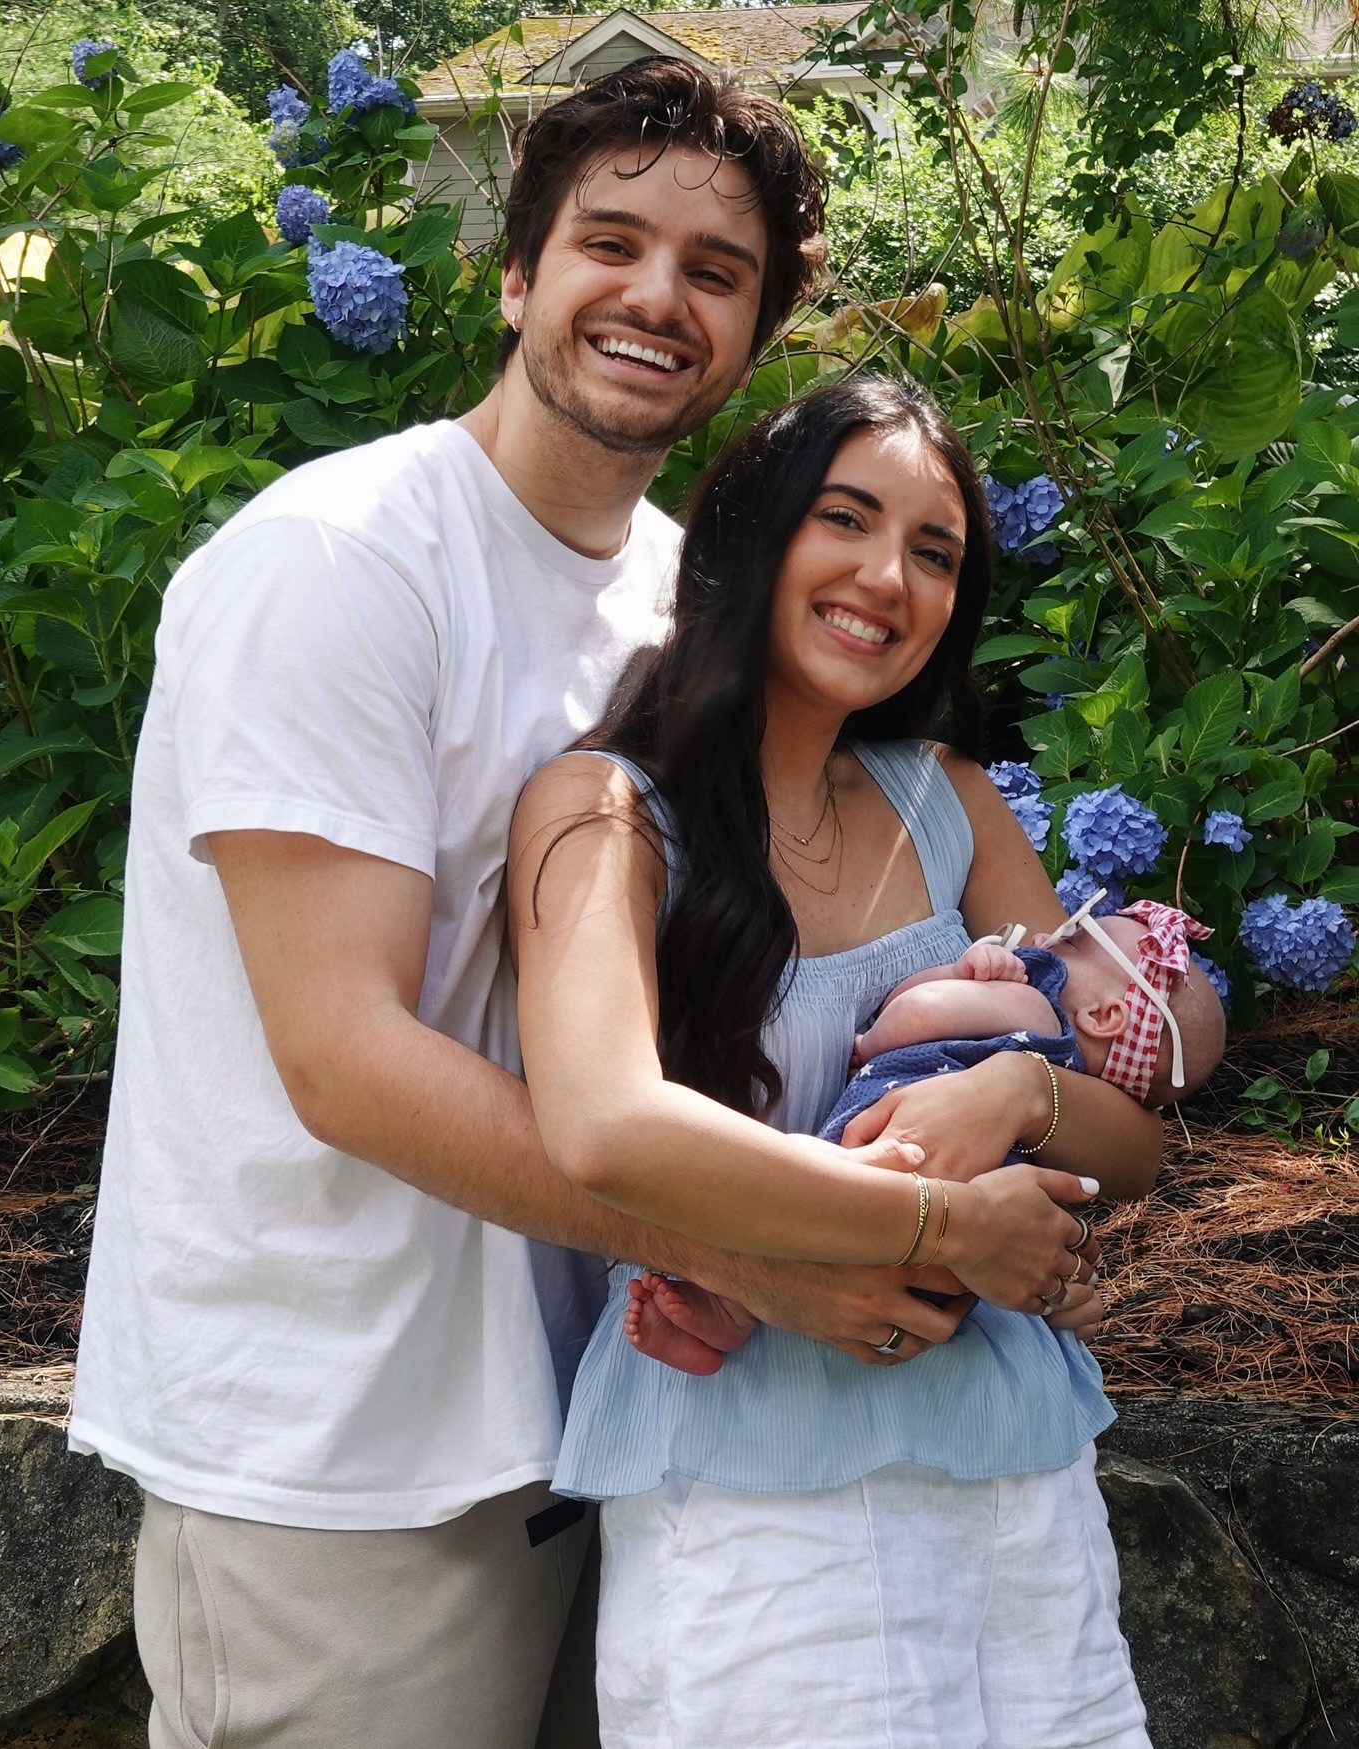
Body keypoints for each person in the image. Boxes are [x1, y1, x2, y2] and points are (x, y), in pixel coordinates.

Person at [65, 59, 979, 1749]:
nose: (657, 296)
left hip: (607, 1409)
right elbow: (342, 1056)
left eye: (716, 271)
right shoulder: (342, 559)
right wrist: (762, 1252)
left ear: (757, 334)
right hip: (344, 1452)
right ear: (515, 274)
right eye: (610, 244)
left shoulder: (680, 605)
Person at [508, 376, 1165, 1749]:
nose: (888, 578)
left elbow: (1134, 1144)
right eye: (847, 520)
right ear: (752, 533)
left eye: (935, 552)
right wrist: (945, 1220)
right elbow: (604, 1128)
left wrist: (1019, 1092)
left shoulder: (950, 802)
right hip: (754, 1484)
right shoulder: (608, 809)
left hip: (1013, 1465)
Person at [626, 903, 1225, 1374]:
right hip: (959, 1247)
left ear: (1104, 1016)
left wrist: (893, 1025)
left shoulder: (1035, 1010)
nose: (1050, 934)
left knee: (796, 1171)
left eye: (1074, 938)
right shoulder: (1063, 1082)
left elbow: (923, 1011)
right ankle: (733, 1309)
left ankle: (731, 1303)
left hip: (898, 1149)